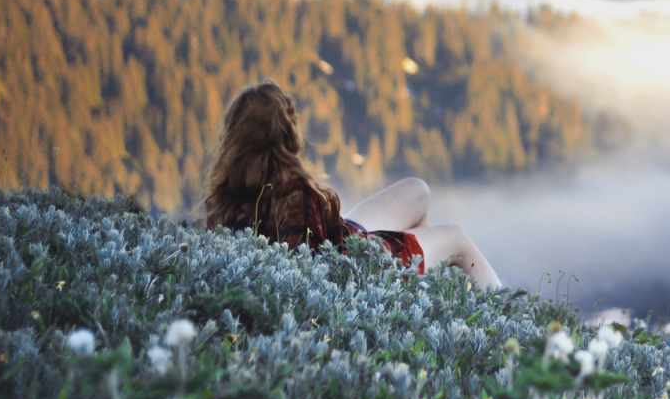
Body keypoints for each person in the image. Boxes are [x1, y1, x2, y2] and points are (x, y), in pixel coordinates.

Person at [203, 79, 501, 289]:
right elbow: (307, 271)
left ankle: (419, 287)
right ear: (287, 132)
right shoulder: (294, 192)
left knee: (417, 190)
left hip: (343, 237)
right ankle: (514, 329)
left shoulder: (224, 198)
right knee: (456, 238)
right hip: (363, 265)